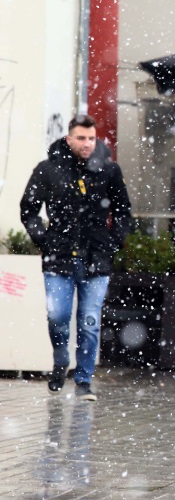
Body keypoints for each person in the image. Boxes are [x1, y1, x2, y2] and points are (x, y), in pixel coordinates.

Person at [20, 115, 131, 401]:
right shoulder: (48, 170)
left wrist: (114, 241)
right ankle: (60, 362)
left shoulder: (109, 170)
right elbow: (29, 208)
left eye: (91, 138)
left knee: (90, 321)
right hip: (59, 256)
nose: (87, 143)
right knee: (57, 317)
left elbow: (122, 210)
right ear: (69, 139)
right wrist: (43, 239)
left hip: (97, 257)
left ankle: (83, 380)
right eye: (81, 138)